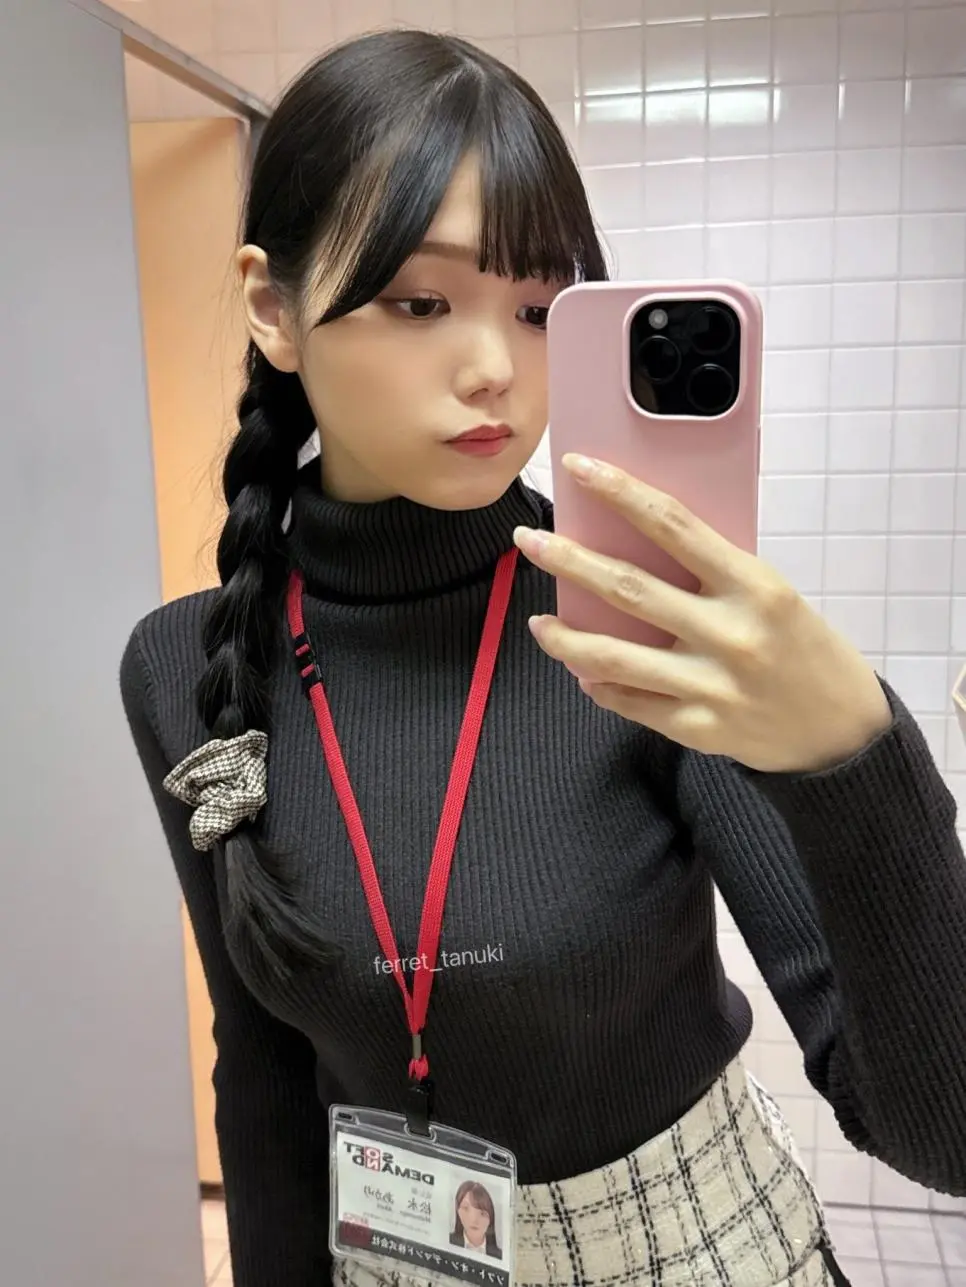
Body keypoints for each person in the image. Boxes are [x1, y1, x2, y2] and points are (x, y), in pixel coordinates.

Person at [119, 28, 966, 1287]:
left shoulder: (641, 620)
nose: (497, 372)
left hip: (697, 1252)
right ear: (273, 307)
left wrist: (856, 759)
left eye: (538, 309)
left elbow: (940, 1136)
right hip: (390, 1259)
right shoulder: (183, 663)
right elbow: (262, 1075)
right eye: (421, 302)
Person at [450, 1181, 501, 1259]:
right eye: (466, 1209)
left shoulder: (499, 1256)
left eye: (482, 1213)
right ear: (458, 1211)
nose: (474, 1219)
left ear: (490, 1219)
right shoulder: (448, 1242)